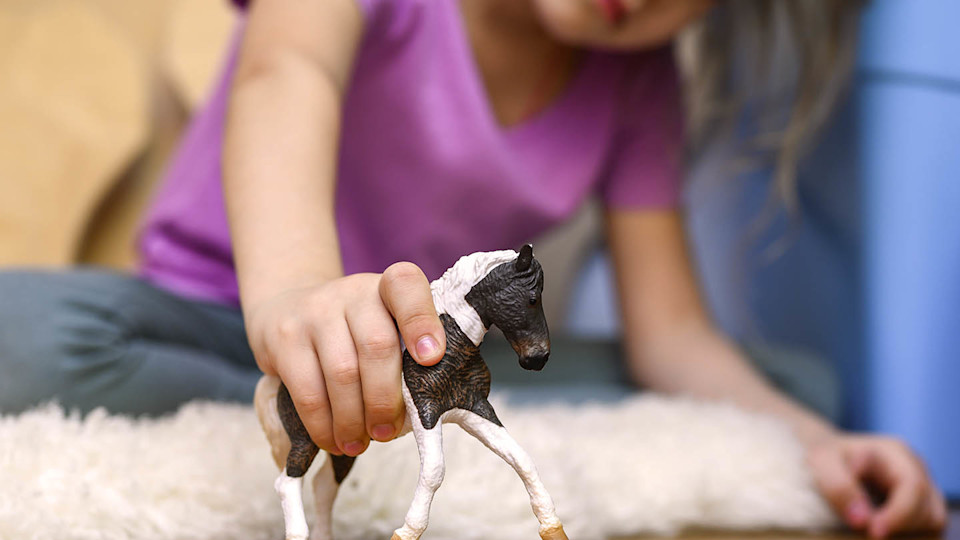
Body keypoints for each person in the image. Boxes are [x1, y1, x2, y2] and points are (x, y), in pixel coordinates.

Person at [0, 0, 946, 537]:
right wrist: (296, 296)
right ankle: (308, 407)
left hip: (431, 361)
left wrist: (808, 438)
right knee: (33, 335)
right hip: (218, 314)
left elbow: (674, 336)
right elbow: (287, 76)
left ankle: (384, 421)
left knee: (792, 387)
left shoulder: (639, 82)